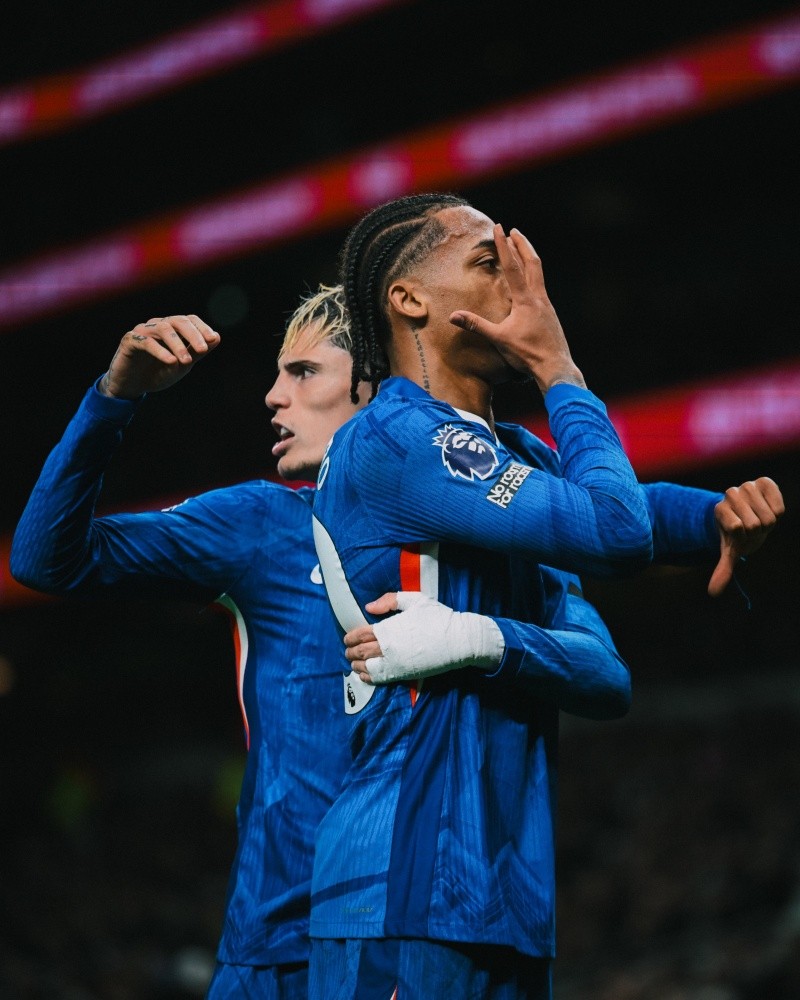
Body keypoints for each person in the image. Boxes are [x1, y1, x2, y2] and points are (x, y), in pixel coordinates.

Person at [10, 288, 660, 998]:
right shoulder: (259, 524)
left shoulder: (491, 535)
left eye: (302, 372)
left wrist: (484, 637)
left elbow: (607, 676)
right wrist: (115, 395)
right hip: (273, 951)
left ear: (375, 388)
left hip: (413, 922)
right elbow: (47, 558)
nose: (272, 396)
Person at [309, 193, 784, 999]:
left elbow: (612, 663)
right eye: (490, 264)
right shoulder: (397, 439)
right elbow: (616, 530)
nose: (527, 291)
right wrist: (560, 369)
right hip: (401, 885)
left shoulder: (511, 454)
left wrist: (716, 517)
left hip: (506, 894)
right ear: (411, 300)